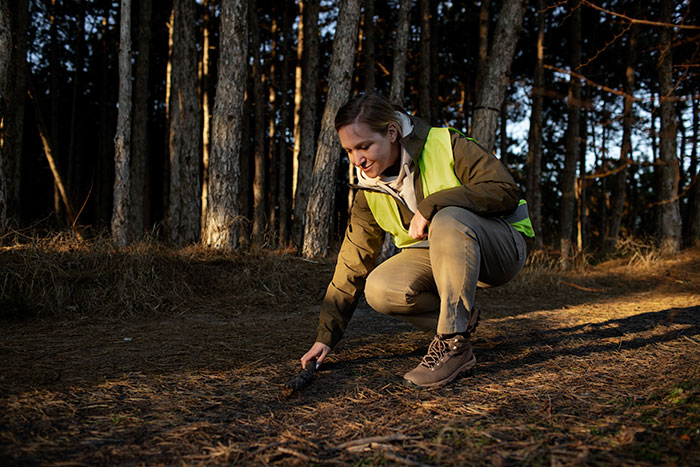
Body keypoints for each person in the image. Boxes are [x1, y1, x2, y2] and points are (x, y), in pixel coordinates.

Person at [300, 92, 533, 388]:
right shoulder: (369, 190)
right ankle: (460, 319)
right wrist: (326, 337)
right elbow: (352, 263)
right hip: (441, 259)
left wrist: (433, 204)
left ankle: (452, 345)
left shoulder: (444, 143)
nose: (357, 160)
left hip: (500, 248)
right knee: (380, 289)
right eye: (348, 151)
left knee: (448, 218)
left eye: (365, 146)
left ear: (393, 133)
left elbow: (504, 190)